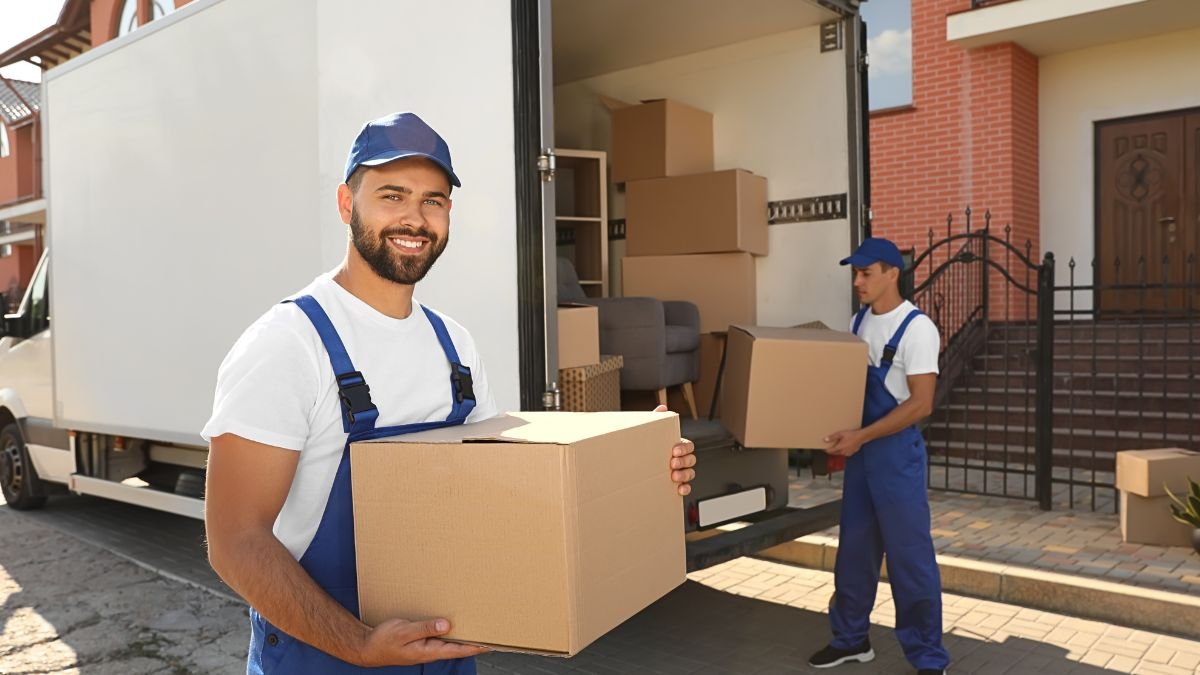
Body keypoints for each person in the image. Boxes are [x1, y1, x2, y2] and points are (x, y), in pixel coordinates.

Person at [202, 112, 697, 674]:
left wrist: (638, 465)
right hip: (325, 658)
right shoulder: (289, 343)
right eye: (392, 195)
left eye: (433, 200)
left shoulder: (453, 344)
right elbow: (235, 541)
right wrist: (358, 646)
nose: (414, 217)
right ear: (346, 204)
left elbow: (504, 488)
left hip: (447, 655)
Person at [807, 237, 950, 675]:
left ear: (893, 273)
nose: (858, 281)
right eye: (855, 273)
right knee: (853, 551)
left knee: (909, 559)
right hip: (861, 456)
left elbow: (922, 403)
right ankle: (850, 640)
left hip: (895, 457)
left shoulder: (918, 328)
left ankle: (927, 658)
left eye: (866, 273)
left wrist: (862, 435)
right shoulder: (857, 323)